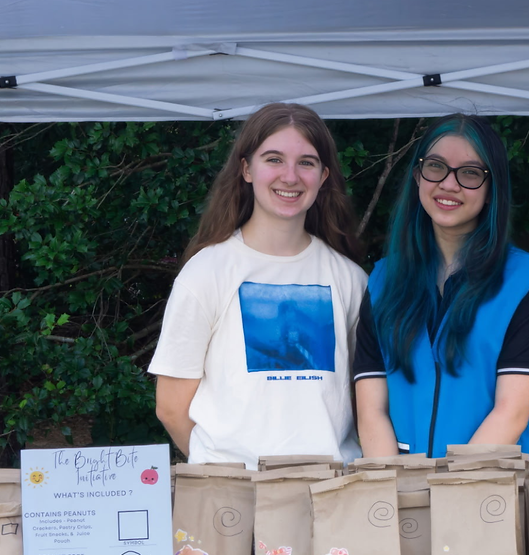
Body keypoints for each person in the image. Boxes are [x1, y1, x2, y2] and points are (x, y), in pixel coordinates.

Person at [148, 103, 367, 470]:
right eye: (274, 159)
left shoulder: (350, 279)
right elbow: (170, 407)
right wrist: (223, 471)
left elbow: (366, 399)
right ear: (247, 169)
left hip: (331, 493)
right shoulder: (206, 272)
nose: (290, 176)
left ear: (324, 175)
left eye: (306, 162)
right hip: (234, 496)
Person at [354, 114, 529, 459]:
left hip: (492, 491)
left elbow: (510, 414)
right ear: (417, 176)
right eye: (436, 166)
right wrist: (395, 492)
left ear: (491, 189)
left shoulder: (526, 281)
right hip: (401, 491)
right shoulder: (382, 281)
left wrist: (449, 495)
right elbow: (372, 412)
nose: (449, 184)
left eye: (470, 173)